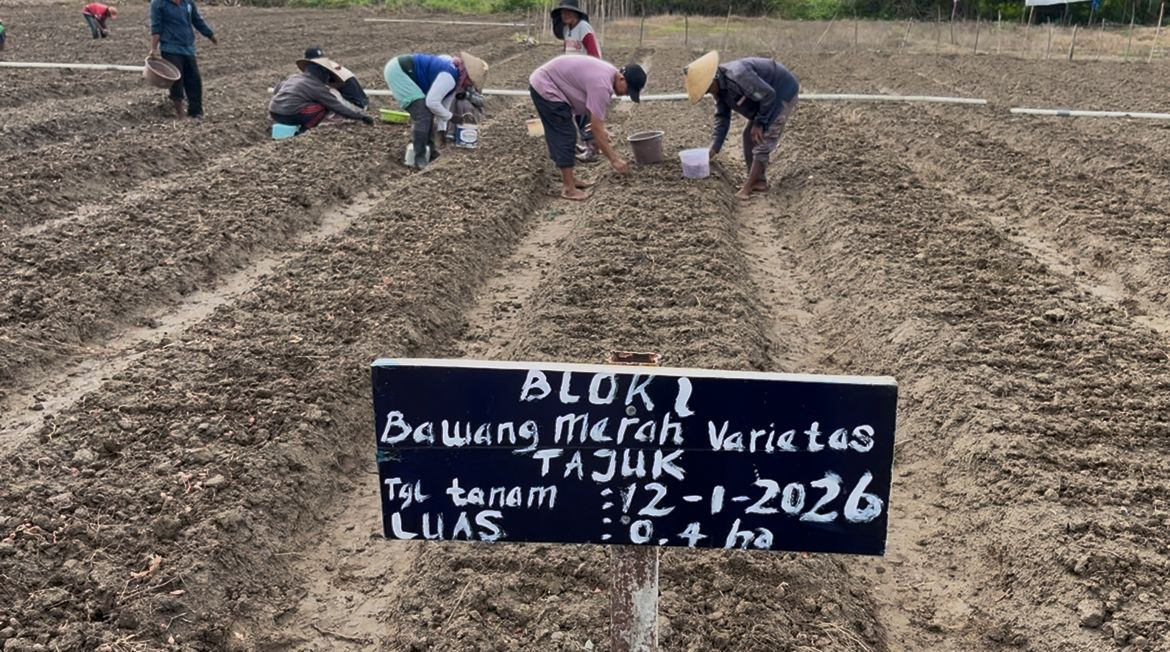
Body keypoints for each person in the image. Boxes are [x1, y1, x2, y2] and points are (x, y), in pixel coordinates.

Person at [529, 55, 646, 201]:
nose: (626, 94)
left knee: (567, 134)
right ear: (622, 79)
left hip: (552, 82)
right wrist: (614, 160)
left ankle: (571, 180)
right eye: (628, 90)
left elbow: (594, 119)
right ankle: (568, 188)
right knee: (564, 134)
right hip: (546, 85)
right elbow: (596, 127)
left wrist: (600, 131)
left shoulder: (609, 75)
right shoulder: (602, 85)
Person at [685, 50, 799, 201]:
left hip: (780, 94)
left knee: (762, 141)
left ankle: (748, 186)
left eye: (707, 89)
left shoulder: (738, 76)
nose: (708, 93)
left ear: (713, 79)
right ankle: (759, 181)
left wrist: (759, 123)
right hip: (764, 99)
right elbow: (722, 117)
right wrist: (714, 148)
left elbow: (768, 95)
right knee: (748, 135)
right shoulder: (720, 89)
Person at [383, 51, 488, 169]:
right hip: (399, 71)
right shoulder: (450, 77)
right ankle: (419, 157)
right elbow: (432, 103)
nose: (469, 86)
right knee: (423, 114)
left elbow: (442, 107)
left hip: (404, 70)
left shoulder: (456, 80)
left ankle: (431, 152)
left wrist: (442, 131)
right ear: (467, 76)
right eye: (470, 82)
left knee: (427, 113)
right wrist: (452, 117)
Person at [550, 0, 602, 162]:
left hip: (584, 77)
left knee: (585, 114)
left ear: (576, 13)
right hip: (571, 78)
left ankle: (592, 147)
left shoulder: (584, 28)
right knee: (576, 112)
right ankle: (587, 144)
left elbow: (593, 53)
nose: (564, 15)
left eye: (568, 12)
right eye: (562, 12)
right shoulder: (567, 30)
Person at [149, 0, 217, 119]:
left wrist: (209, 34)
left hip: (188, 48)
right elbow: (156, 27)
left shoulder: (188, 3)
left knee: (194, 80)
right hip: (170, 48)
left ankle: (196, 112)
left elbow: (197, 20)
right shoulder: (158, 3)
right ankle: (180, 113)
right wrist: (153, 49)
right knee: (176, 82)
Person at [269, 54, 373, 132]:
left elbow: (277, 90)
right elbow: (337, 106)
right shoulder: (317, 87)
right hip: (290, 115)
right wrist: (361, 117)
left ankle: (280, 126)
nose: (328, 78)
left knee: (307, 105)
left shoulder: (293, 77)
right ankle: (305, 130)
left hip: (274, 113)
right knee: (323, 107)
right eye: (328, 75)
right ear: (321, 73)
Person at [302, 45, 368, 109]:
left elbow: (338, 84)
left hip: (355, 106)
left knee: (324, 91)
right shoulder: (331, 65)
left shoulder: (324, 69)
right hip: (361, 102)